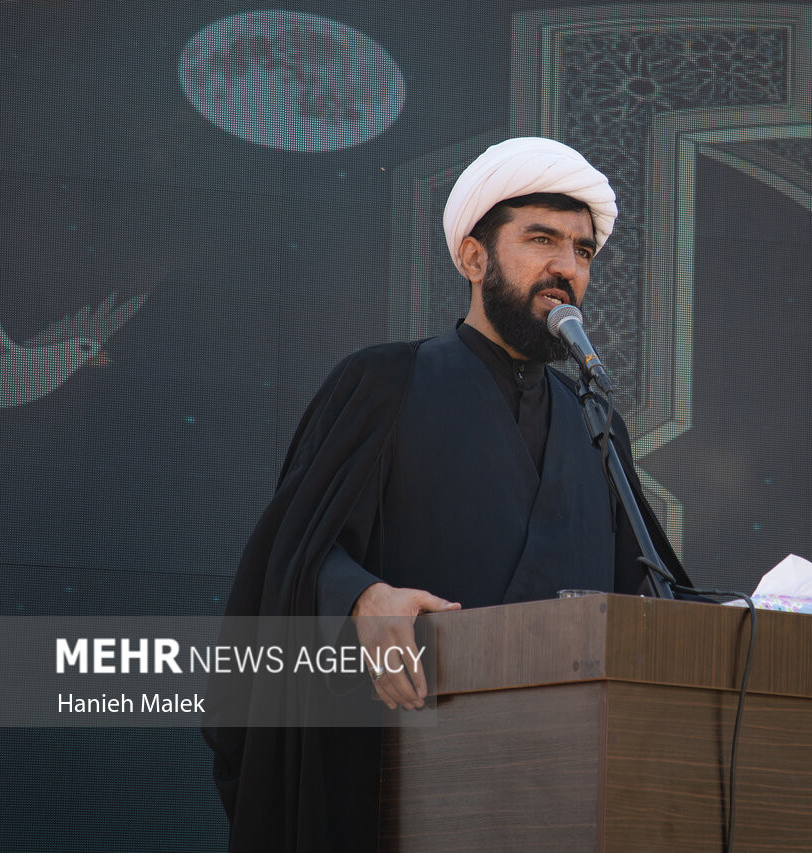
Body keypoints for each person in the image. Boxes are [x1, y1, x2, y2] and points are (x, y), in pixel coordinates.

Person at [203, 137, 689, 852]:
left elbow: (639, 590)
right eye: (542, 240)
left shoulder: (595, 423)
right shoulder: (385, 383)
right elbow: (290, 557)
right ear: (473, 258)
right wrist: (362, 599)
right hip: (398, 787)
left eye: (583, 251)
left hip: (562, 792)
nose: (567, 266)